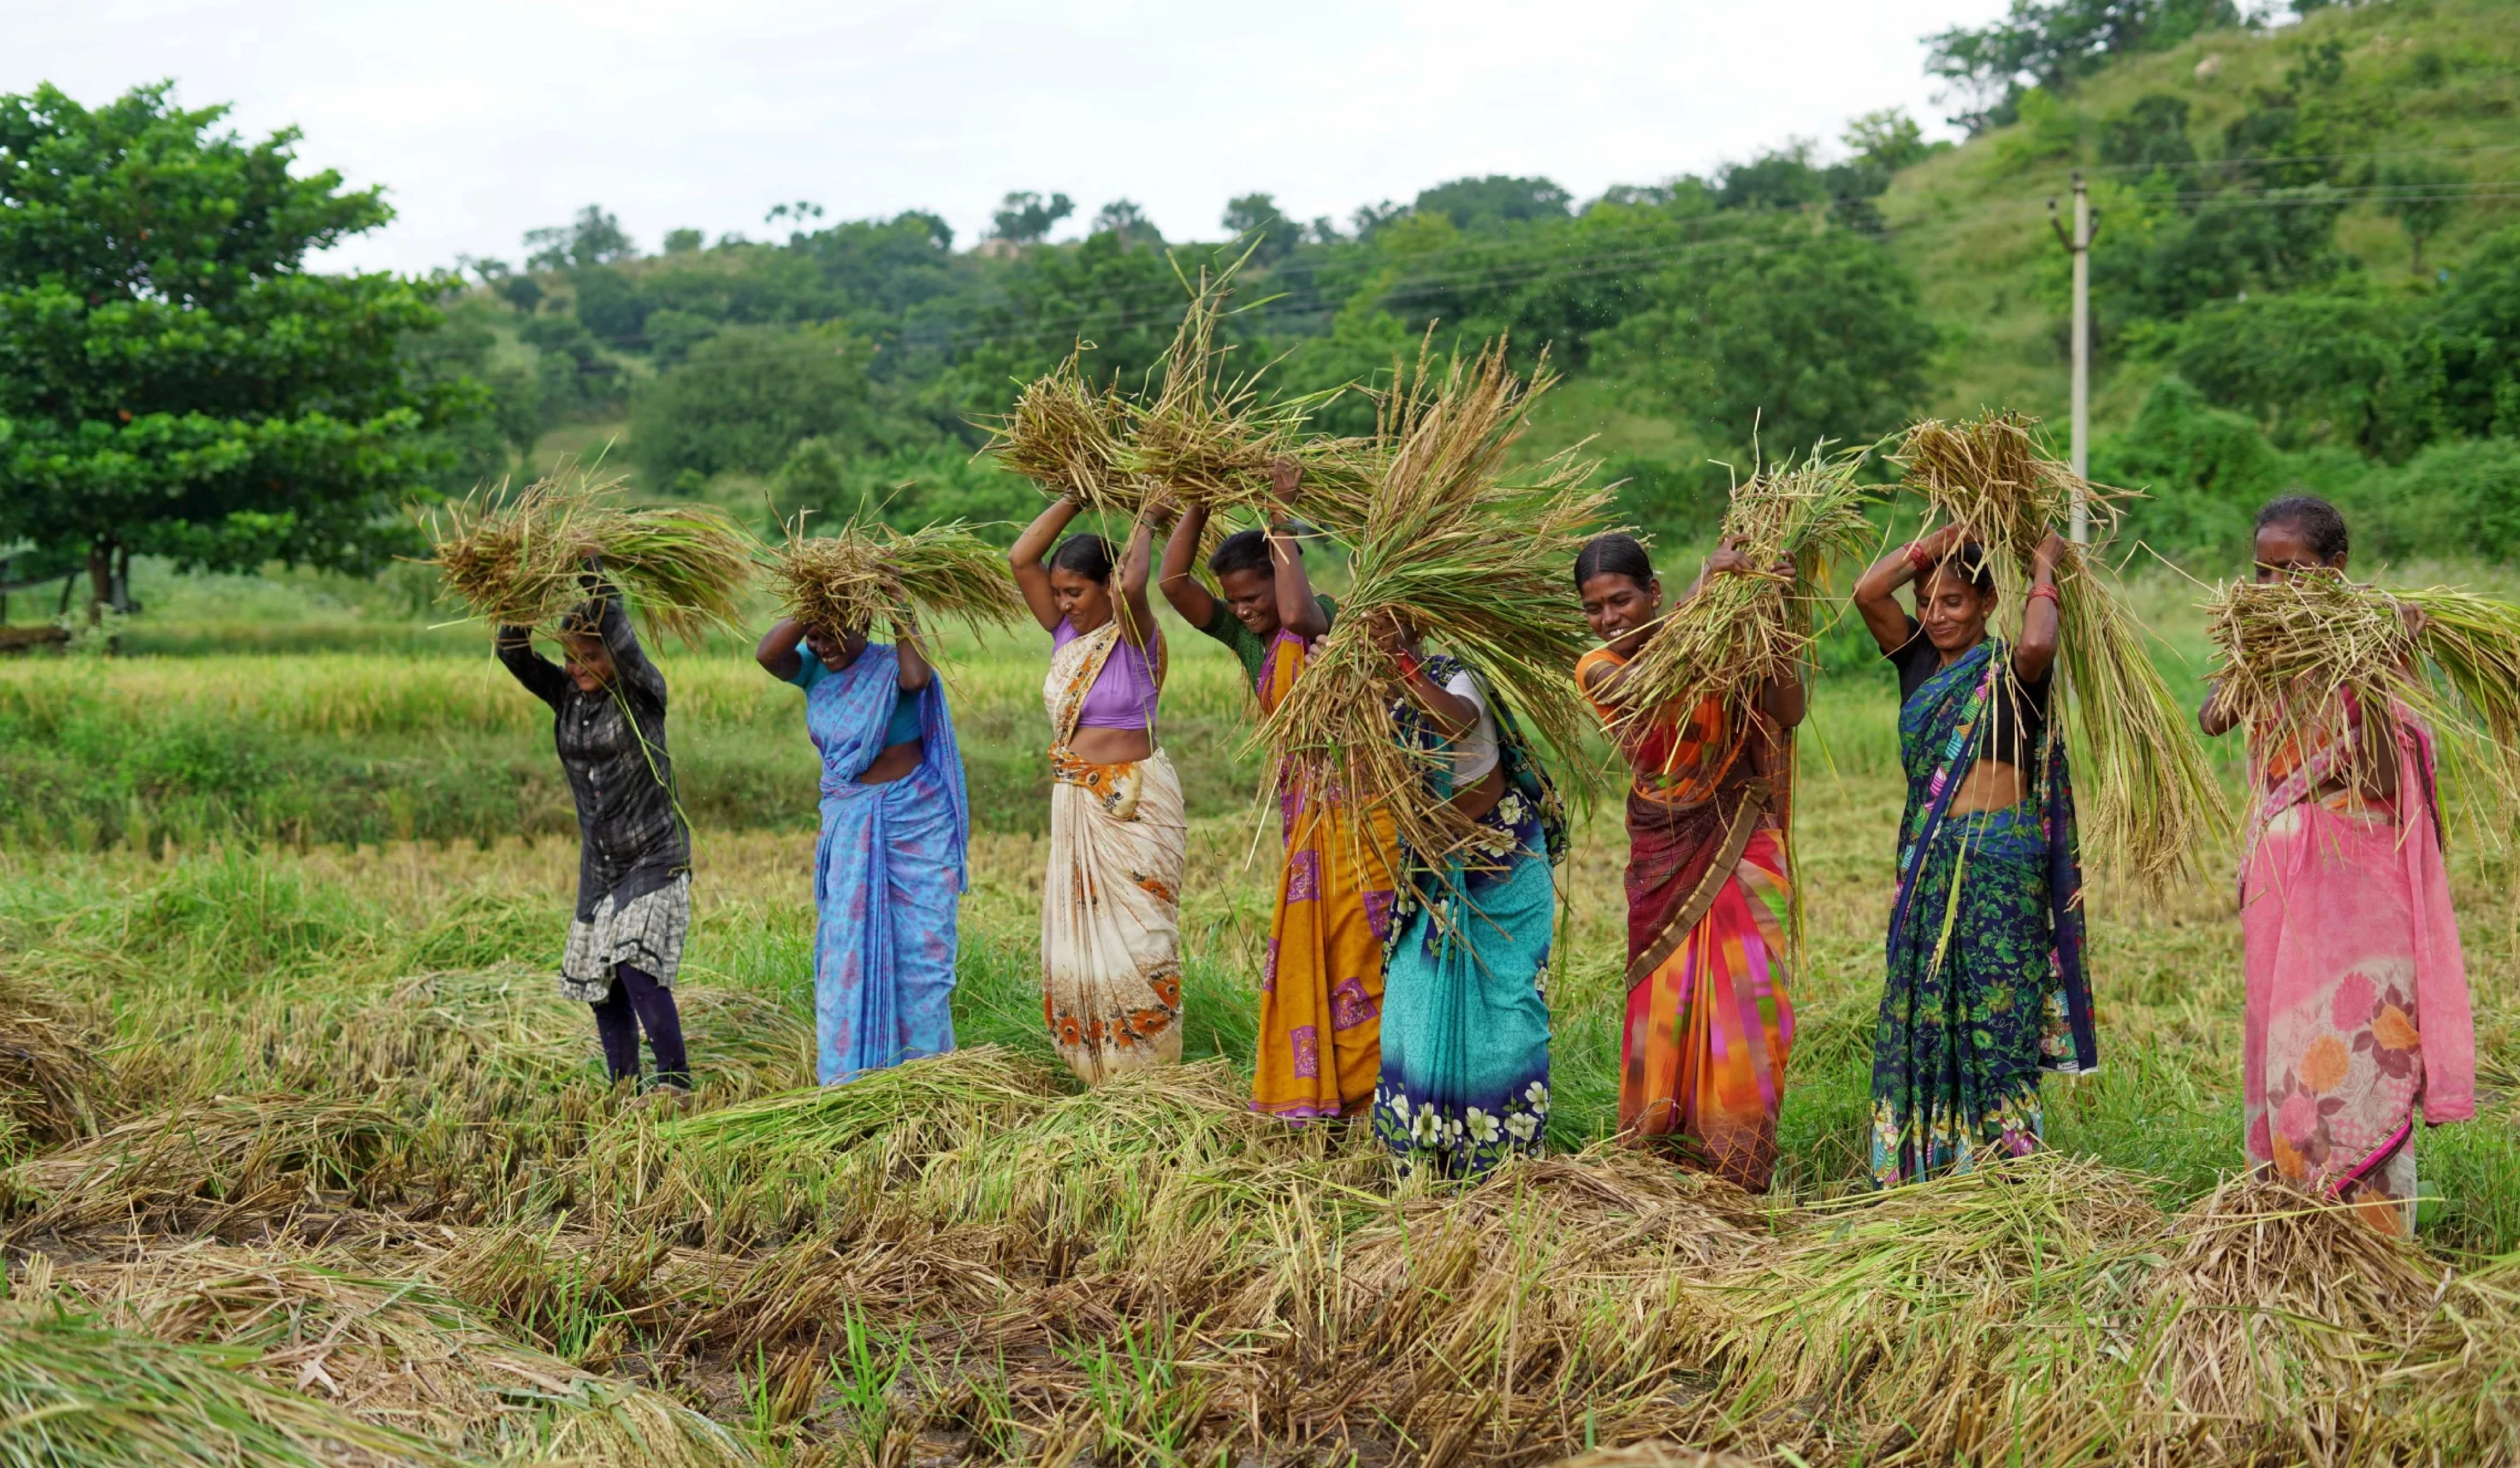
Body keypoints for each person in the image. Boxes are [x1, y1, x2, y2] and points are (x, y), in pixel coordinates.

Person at [2199, 495, 2474, 1235]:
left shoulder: (2377, 648)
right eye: (2262, 574)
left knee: (2361, 1050)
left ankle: (2379, 1244)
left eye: (2293, 571)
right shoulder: (2270, 644)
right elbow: (2215, 717)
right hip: (2286, 887)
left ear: (2336, 569)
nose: (2276, 588)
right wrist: (2255, 647)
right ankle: (2294, 1229)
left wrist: (2377, 665)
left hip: (2360, 893)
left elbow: (2386, 773)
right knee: (2288, 1048)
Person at [1849, 524, 2097, 1185]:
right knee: (1924, 1014)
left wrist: (2043, 562)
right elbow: (1868, 592)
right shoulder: (1918, 664)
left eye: (1953, 601)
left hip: (2003, 869)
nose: (1934, 616)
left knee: (1998, 1014)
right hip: (1932, 868)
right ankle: (1926, 1168)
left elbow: (2042, 639)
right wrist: (1942, 539)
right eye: (1927, 601)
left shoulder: (2014, 671)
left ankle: (2005, 1172)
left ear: (1989, 602)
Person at [1154, 468, 1398, 1122]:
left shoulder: (1327, 620)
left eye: (1252, 593)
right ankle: (1325, 1095)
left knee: (1362, 946)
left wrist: (1279, 515)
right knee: (1313, 949)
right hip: (1306, 819)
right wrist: (1199, 495)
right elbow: (1173, 583)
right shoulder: (1248, 642)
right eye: (1233, 600)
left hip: (1363, 812)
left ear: (1281, 572)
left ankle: (1375, 1092)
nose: (1244, 609)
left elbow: (1296, 614)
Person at [1574, 533, 1802, 1192]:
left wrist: (1771, 619)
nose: (1611, 618)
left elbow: (1788, 710)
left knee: (1750, 1005)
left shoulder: (1722, 647)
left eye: (1622, 600)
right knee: (1668, 1004)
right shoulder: (1597, 666)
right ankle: (1660, 1163)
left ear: (1653, 592)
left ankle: (1738, 1165)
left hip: (1743, 837)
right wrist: (1708, 594)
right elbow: (1652, 686)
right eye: (1596, 608)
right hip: (1665, 853)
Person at [1367, 614, 1566, 1175]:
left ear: (1413, 622)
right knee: (1413, 996)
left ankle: (1502, 1157)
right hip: (1432, 867)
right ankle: (1424, 1151)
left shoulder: (1457, 674)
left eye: (1381, 621)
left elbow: (1456, 722)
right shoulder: (1369, 692)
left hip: (1502, 857)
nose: (1372, 631)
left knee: (1507, 1004)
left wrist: (1400, 667)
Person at [1009, 496, 1186, 1084]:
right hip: (1076, 806)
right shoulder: (1065, 633)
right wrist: (1074, 493)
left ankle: (1150, 1075)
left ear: (1107, 587)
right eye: (1058, 593)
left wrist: (1149, 517)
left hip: (1134, 808)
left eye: (1076, 592)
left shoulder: (1134, 633)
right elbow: (1020, 557)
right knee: (1082, 948)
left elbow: (1136, 581)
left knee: (1141, 942)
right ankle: (1097, 1074)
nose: (1064, 604)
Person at [496, 567, 691, 1094]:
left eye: (592, 655)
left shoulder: (641, 692)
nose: (579, 666)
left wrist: (589, 572)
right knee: (601, 986)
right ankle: (622, 1089)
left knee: (633, 965)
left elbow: (620, 630)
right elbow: (512, 651)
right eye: (571, 656)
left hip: (653, 853)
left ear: (614, 656)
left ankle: (675, 1082)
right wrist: (515, 588)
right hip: (600, 865)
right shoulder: (566, 697)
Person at [756, 608, 968, 1086]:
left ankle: (925, 1076)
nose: (823, 647)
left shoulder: (893, 663)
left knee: (924, 957)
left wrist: (900, 607)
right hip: (852, 822)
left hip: (915, 820)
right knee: (847, 958)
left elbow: (916, 677)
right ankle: (852, 1080)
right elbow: (768, 653)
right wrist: (810, 606)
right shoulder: (810, 668)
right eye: (814, 637)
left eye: (833, 636)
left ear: (861, 621)